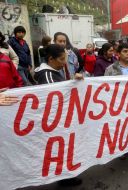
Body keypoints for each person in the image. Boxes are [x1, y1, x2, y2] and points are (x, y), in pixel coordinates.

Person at [34, 44, 83, 187]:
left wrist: (73, 81)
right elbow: (55, 100)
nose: (64, 63)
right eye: (62, 59)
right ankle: (65, 178)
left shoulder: (53, 71)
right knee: (61, 150)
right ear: (50, 59)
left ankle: (66, 176)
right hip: (57, 123)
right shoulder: (47, 75)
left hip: (60, 121)